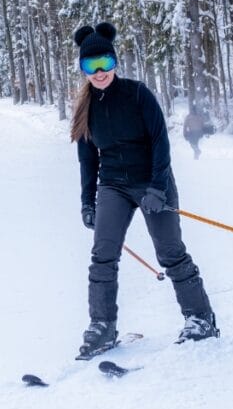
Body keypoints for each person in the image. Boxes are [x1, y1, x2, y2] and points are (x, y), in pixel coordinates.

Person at [70, 22, 219, 358]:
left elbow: (160, 143)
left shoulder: (138, 94)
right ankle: (102, 327)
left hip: (152, 182)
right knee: (102, 255)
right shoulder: (85, 109)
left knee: (170, 252)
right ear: (83, 69)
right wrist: (87, 202)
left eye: (104, 63)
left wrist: (158, 187)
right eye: (90, 66)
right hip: (113, 186)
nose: (99, 72)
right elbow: (87, 161)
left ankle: (200, 318)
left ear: (114, 62)